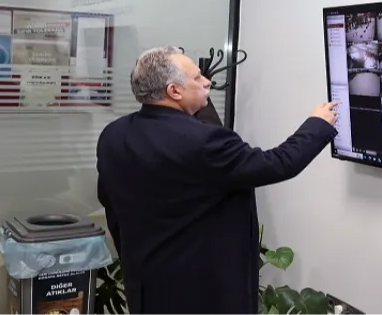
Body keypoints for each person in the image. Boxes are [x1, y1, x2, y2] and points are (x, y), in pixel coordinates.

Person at [96, 46, 337, 315]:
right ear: (174, 91)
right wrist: (318, 124)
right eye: (197, 77)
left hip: (146, 288)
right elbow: (277, 164)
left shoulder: (114, 136)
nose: (207, 81)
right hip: (202, 296)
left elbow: (111, 205)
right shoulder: (203, 142)